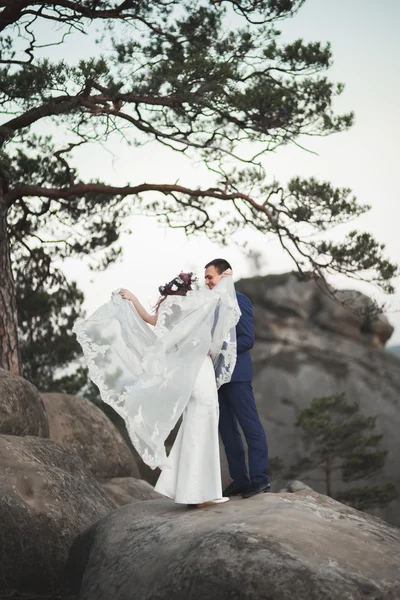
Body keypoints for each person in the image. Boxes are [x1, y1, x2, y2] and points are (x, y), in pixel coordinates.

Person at [73, 270, 240, 507]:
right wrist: (226, 277)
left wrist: (132, 298)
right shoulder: (195, 305)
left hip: (188, 372)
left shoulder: (171, 309)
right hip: (199, 369)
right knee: (203, 419)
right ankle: (198, 492)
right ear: (187, 289)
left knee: (195, 422)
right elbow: (222, 298)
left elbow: (150, 320)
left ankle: (191, 490)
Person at [204, 259, 270, 499]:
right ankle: (240, 480)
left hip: (238, 375)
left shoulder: (239, 300)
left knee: (251, 427)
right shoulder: (209, 304)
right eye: (206, 278)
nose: (207, 281)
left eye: (210, 277)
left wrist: (218, 350)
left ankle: (260, 480)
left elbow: (247, 339)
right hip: (216, 378)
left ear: (224, 275)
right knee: (227, 432)